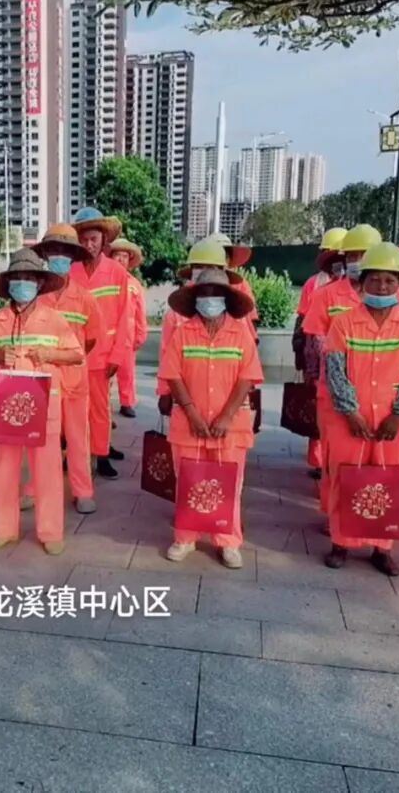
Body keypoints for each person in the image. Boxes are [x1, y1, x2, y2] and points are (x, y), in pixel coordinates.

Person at [321, 242, 399, 576]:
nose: (382, 287)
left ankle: (382, 548)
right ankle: (341, 543)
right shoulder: (344, 323)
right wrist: (350, 412)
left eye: (389, 280)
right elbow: (334, 369)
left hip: (392, 421)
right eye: (374, 279)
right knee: (345, 477)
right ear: (362, 282)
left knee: (387, 482)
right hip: (348, 419)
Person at [0, 248, 84, 555]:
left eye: (28, 278)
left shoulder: (55, 320)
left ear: (39, 283)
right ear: (8, 283)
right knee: (3, 468)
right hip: (7, 405)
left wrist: (50, 354)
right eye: (17, 278)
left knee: (47, 471)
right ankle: (3, 529)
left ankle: (50, 532)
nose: (22, 284)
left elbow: (76, 355)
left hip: (45, 404)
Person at [159, 269, 263, 569]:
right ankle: (185, 537)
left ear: (226, 298)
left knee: (230, 482)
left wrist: (227, 416)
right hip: (188, 422)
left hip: (230, 425)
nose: (209, 299)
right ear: (195, 298)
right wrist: (191, 413)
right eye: (204, 293)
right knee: (188, 479)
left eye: (216, 293)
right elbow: (172, 375)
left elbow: (248, 377)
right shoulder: (183, 332)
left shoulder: (241, 333)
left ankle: (227, 541)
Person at [302, 223, 383, 513]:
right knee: (336, 459)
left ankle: (372, 523)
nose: (357, 261)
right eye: (351, 255)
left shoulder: (394, 296)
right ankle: (335, 517)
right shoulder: (326, 294)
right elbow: (315, 339)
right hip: (334, 392)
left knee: (378, 463)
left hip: (380, 395)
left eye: (364, 254)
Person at [30, 224, 104, 514]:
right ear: (45, 255)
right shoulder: (35, 295)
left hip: (74, 379)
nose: (59, 257)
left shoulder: (85, 298)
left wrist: (67, 358)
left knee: (76, 438)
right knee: (39, 437)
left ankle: (83, 491)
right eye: (54, 251)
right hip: (41, 378)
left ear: (72, 257)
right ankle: (34, 488)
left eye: (65, 252)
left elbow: (92, 339)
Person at [70, 207, 132, 479]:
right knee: (73, 409)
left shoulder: (117, 272)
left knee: (100, 409)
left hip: (102, 356)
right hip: (72, 355)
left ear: (104, 240)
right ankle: (73, 453)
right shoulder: (69, 271)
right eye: (84, 239)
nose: (89, 244)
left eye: (93, 239)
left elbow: (125, 318)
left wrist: (117, 356)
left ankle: (102, 454)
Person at [156, 239, 247, 415]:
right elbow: (166, 354)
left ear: (222, 270)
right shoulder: (175, 314)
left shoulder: (235, 314)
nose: (205, 272)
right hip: (185, 397)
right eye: (199, 267)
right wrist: (164, 391)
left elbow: (247, 361)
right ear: (191, 271)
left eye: (211, 267)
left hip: (226, 400)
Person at [293, 227, 347, 478]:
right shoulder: (314, 285)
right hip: (318, 357)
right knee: (319, 409)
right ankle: (318, 460)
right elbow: (303, 320)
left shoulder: (364, 289)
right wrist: (301, 354)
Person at [109, 237, 148, 419]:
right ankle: (104, 407)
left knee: (127, 371)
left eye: (125, 256)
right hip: (107, 335)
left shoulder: (134, 284)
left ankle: (127, 403)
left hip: (128, 335)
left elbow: (140, 311)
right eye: (117, 255)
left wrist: (140, 334)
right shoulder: (104, 281)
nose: (121, 259)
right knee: (104, 374)